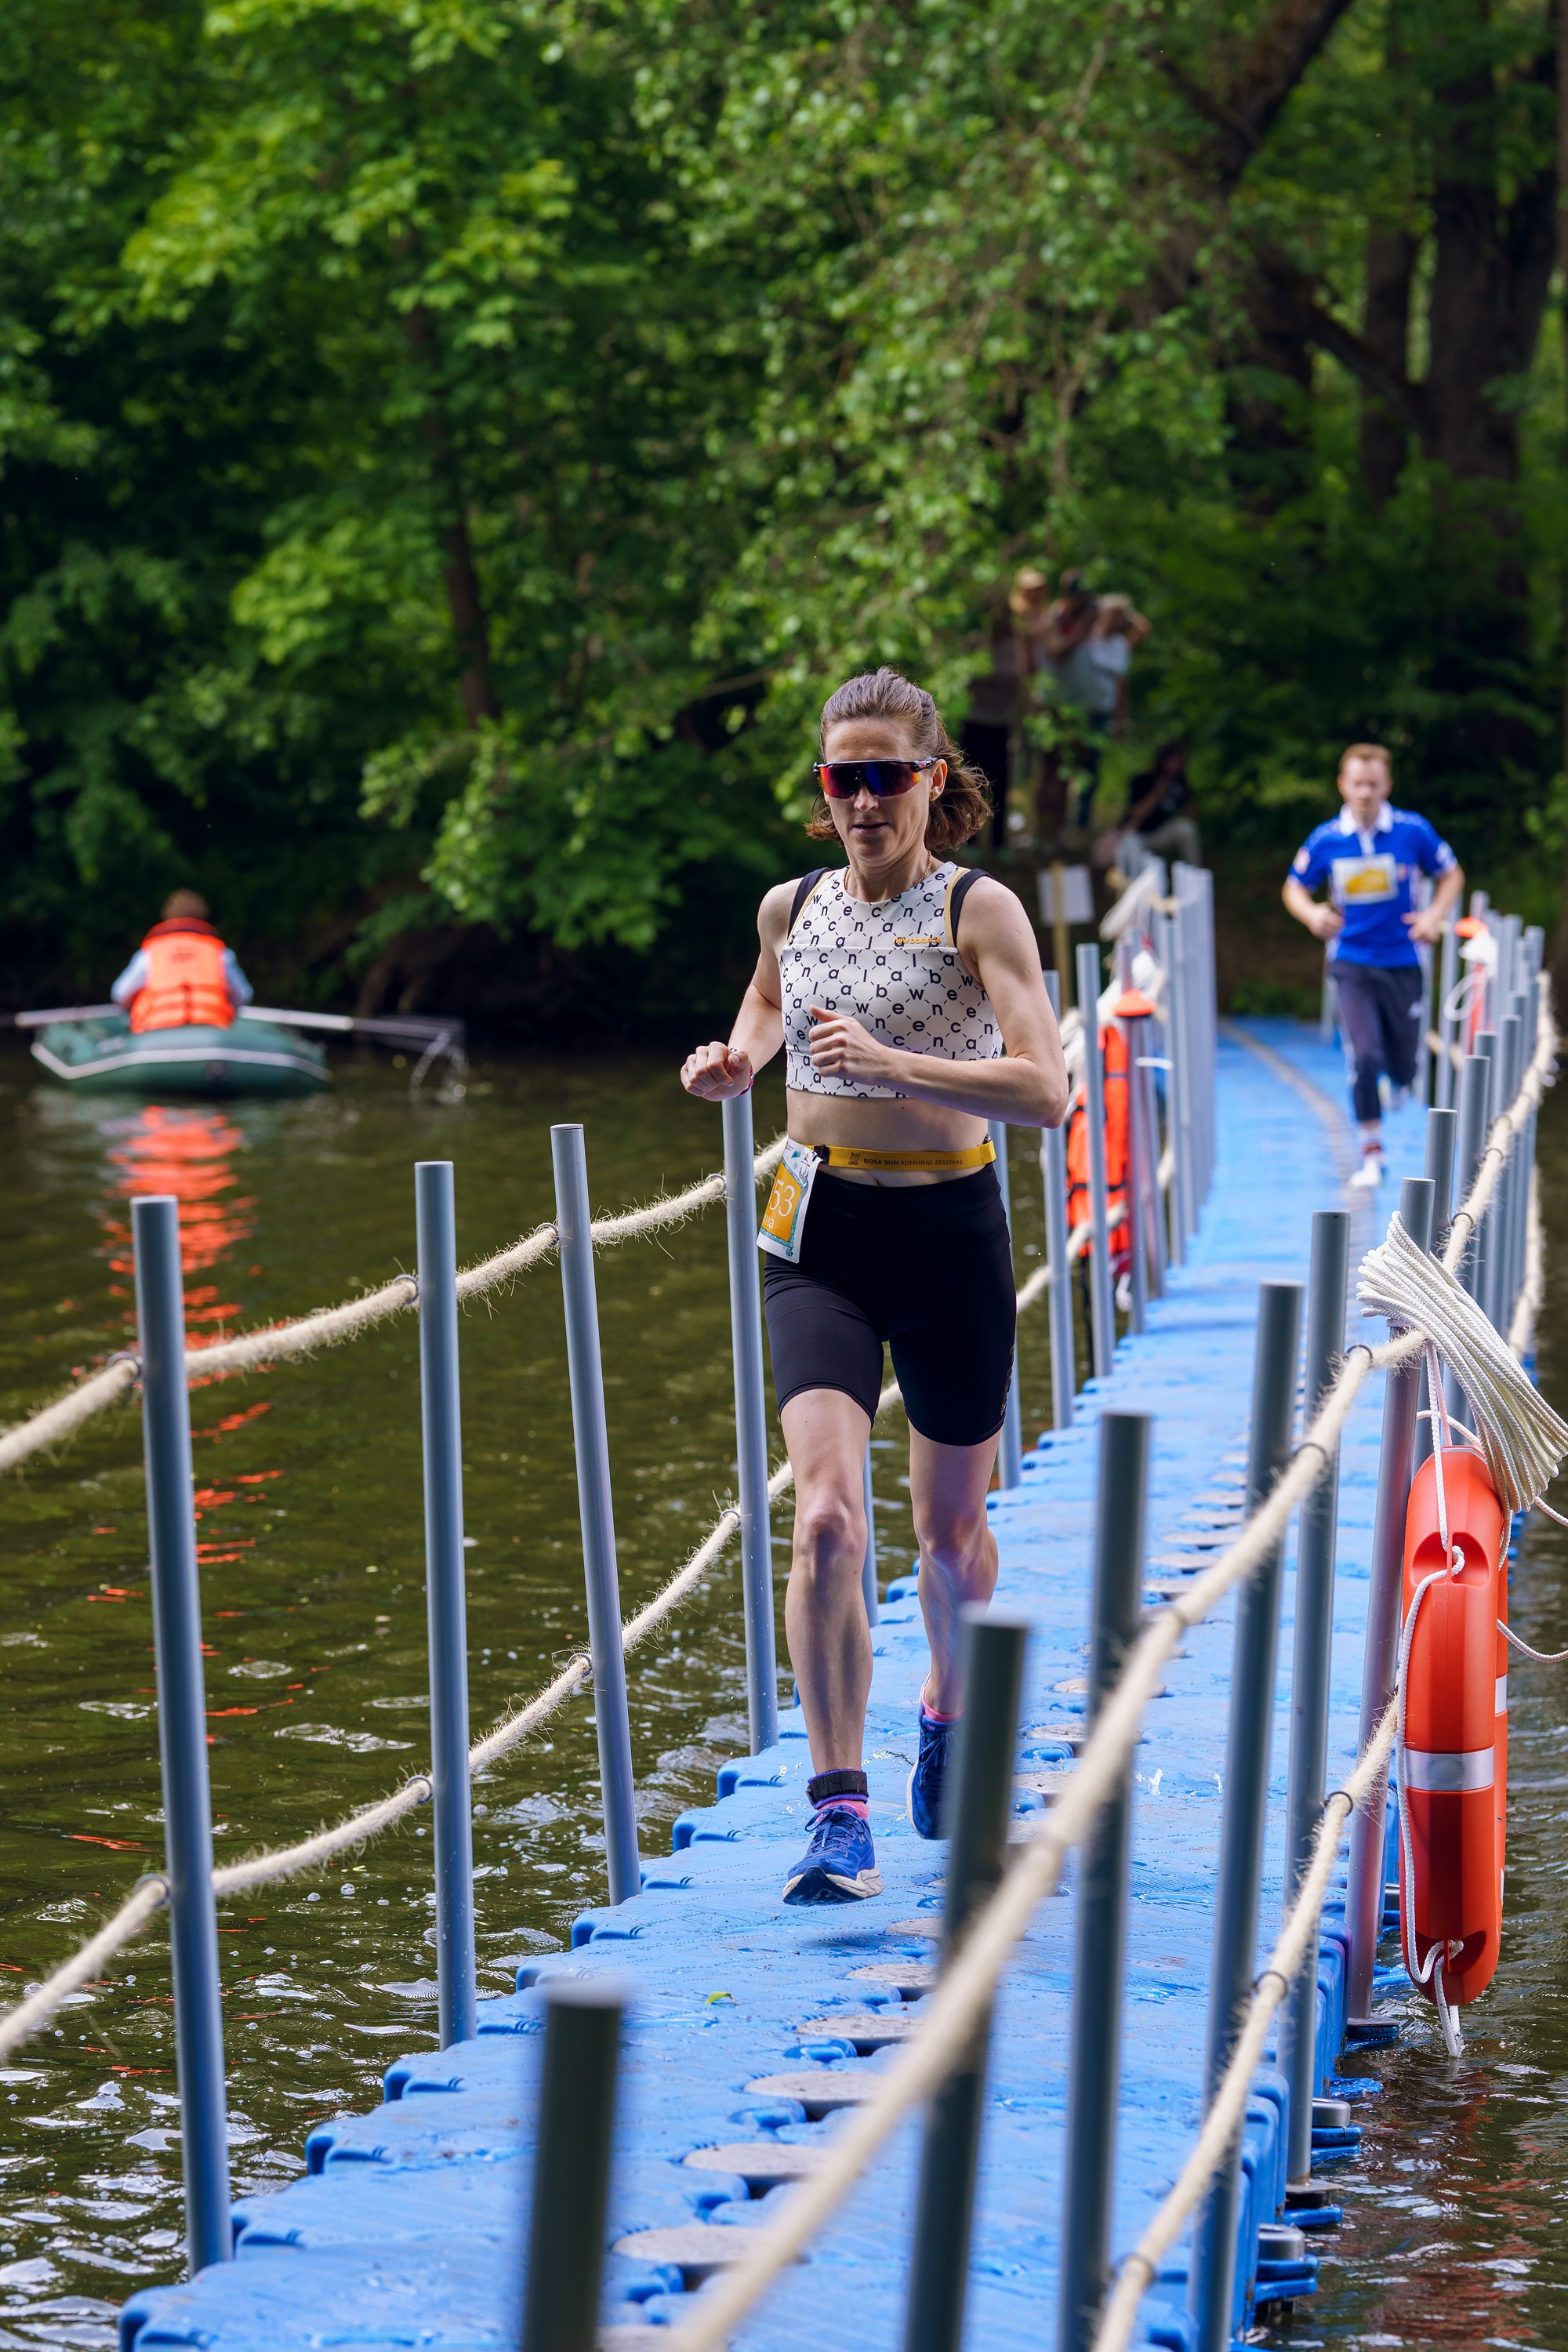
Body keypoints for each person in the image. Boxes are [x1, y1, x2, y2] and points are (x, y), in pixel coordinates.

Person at [681, 666, 1069, 1905]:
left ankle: (948, 1707)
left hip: (949, 1232)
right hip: (818, 1234)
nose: (862, 800)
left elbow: (1047, 1091)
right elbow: (767, 999)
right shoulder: (790, 908)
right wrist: (738, 1061)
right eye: (842, 778)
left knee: (949, 1536)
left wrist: (897, 1063)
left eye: (886, 777)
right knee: (830, 1522)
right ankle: (838, 1810)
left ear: (931, 780)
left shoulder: (979, 909)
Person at [1283, 745, 1463, 1189]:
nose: (1365, 792)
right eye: (1357, 784)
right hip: (1351, 962)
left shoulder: (1412, 830)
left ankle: (1398, 1081)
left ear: (1387, 786)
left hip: (1404, 961)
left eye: (1373, 784)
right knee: (1364, 1055)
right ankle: (1372, 1153)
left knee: (1404, 1066)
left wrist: (1433, 916)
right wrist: (1312, 914)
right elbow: (1293, 887)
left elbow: (1452, 874)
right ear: (1343, 785)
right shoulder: (1326, 839)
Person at [1041, 575, 1150, 827]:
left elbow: (1123, 684)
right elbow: (1061, 618)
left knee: (1091, 768)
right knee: (1065, 766)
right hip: (1077, 710)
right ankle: (1057, 821)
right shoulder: (1091, 635)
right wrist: (1095, 608)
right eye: (1113, 614)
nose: (1116, 619)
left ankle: (1082, 820)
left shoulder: (1120, 646)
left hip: (1101, 712)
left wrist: (1121, 720)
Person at [111, 891, 253, 1033]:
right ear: (202, 919)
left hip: (157, 1032)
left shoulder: (149, 953)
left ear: (168, 918)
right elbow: (244, 995)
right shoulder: (220, 953)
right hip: (210, 1030)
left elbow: (120, 994)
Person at [1120, 741, 1200, 874]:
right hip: (1140, 834)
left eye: (1179, 761)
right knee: (1130, 844)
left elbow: (1192, 816)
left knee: (1186, 829)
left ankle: (1195, 875)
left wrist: (1185, 794)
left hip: (1163, 832)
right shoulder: (1142, 780)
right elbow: (1135, 815)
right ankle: (1136, 882)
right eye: (1172, 760)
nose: (1175, 765)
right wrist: (1156, 795)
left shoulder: (1179, 783)